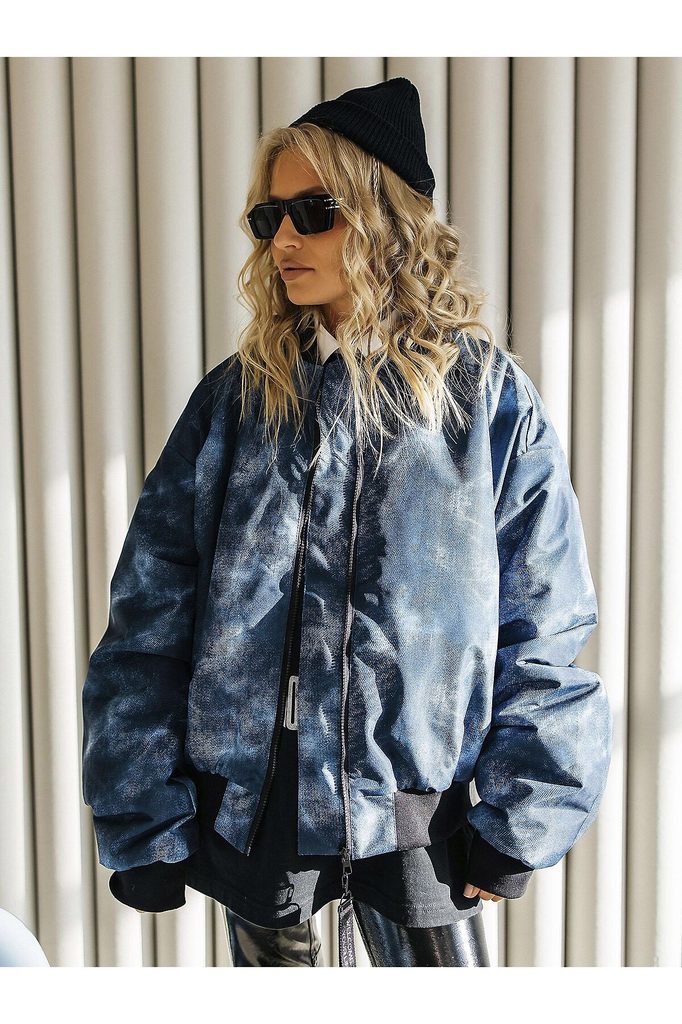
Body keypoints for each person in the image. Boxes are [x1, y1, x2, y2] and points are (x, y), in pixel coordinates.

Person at [81, 78, 613, 967]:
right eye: (270, 218)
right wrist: (143, 814)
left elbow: (544, 623)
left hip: (418, 817)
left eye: (314, 212)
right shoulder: (237, 404)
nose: (284, 240)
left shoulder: (483, 402)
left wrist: (521, 819)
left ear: (385, 218)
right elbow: (149, 614)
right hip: (257, 815)